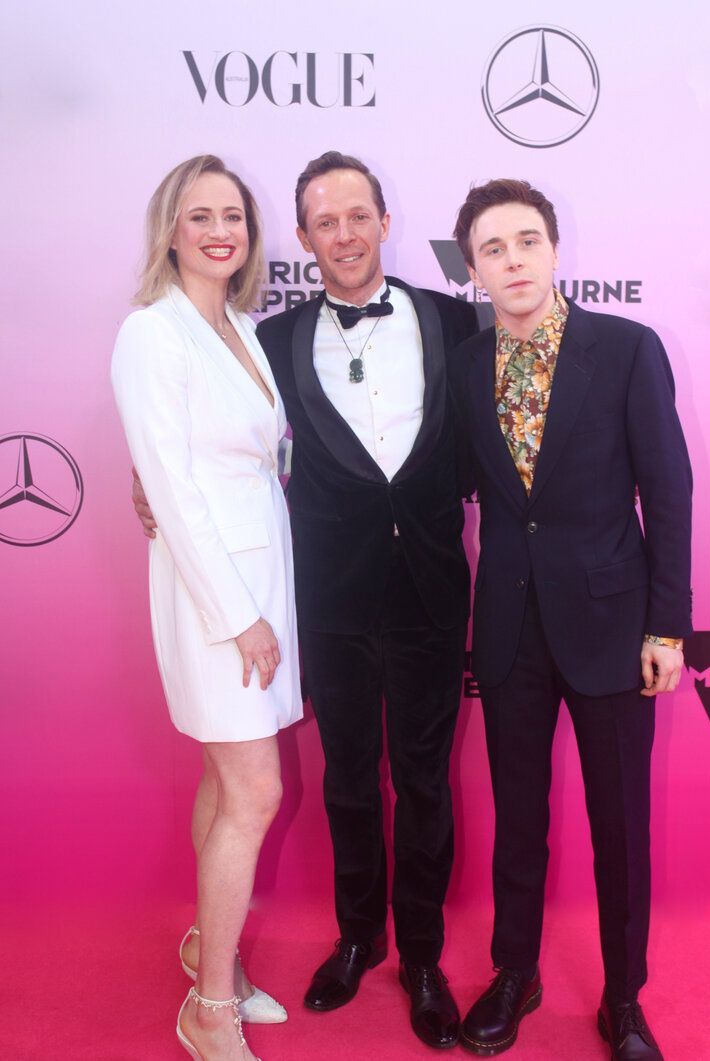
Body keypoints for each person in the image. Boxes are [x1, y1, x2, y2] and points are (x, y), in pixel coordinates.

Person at [134, 150, 479, 1049]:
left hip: (434, 596)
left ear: (384, 220)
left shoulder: (451, 320)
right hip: (323, 599)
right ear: (301, 238)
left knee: (427, 783)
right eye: (325, 222)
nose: (345, 235)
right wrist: (148, 487)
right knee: (349, 784)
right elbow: (192, 441)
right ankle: (357, 937)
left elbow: (491, 452)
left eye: (358, 216)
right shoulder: (271, 338)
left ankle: (426, 957)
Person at [449, 179, 692, 1059]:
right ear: (472, 269)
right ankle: (515, 972)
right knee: (519, 819)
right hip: (510, 628)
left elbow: (667, 490)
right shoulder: (466, 366)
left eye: (526, 241)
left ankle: (624, 998)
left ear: (555, 250)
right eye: (492, 248)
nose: (512, 260)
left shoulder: (625, 348)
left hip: (613, 624)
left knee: (620, 826)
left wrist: (667, 628)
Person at [112, 155, 303, 1061]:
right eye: (200, 216)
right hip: (213, 595)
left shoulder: (240, 326)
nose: (219, 229)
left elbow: (254, 462)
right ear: (171, 230)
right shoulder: (152, 332)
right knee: (256, 788)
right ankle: (210, 1009)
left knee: (227, 783)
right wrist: (237, 615)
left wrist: (263, 607)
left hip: (264, 582)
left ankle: (205, 948)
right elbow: (174, 488)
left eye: (233, 214)